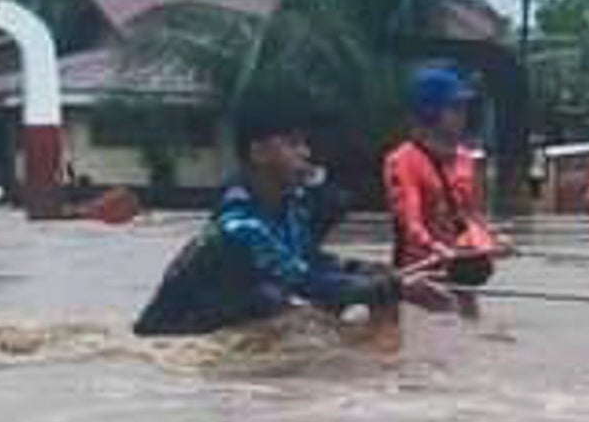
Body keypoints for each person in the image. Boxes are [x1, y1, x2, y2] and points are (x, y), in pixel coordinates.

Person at [132, 103, 447, 337]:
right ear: (259, 153)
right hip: (174, 338)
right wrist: (396, 287)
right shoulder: (241, 227)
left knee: (362, 292)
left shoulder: (289, 208)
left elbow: (316, 262)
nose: (306, 153)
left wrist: (377, 272)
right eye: (293, 143)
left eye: (304, 143)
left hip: (236, 319)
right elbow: (309, 283)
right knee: (303, 313)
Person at [383, 63, 506, 288]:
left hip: (459, 269)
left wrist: (491, 239)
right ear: (430, 112)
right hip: (419, 273)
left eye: (464, 107)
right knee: (442, 316)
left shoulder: (466, 160)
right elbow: (411, 223)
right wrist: (436, 247)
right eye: (455, 107)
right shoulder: (403, 161)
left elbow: (472, 216)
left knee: (471, 321)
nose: (464, 115)